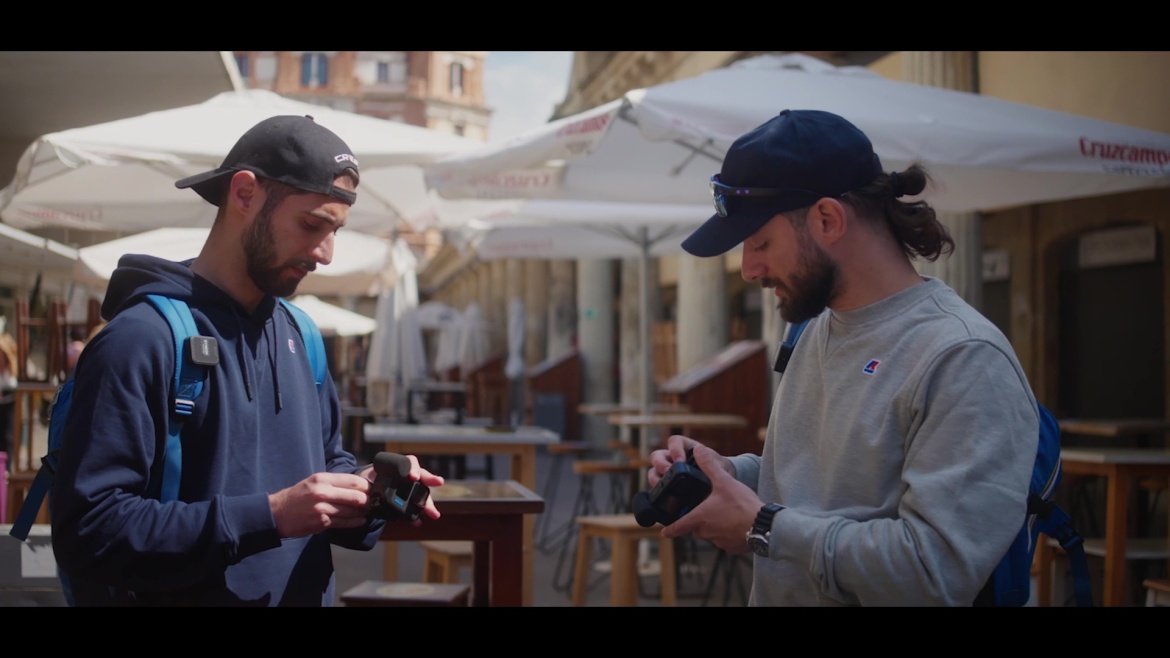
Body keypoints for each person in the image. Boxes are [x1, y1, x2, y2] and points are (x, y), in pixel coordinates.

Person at [648, 109, 1039, 606]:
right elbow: (817, 486)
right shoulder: (812, 326)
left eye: (760, 242)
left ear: (828, 219)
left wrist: (762, 526)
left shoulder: (962, 356)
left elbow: (935, 572)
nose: (748, 269)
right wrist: (728, 475)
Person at [50, 114, 444, 606]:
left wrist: (366, 491)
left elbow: (323, 463)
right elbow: (89, 531)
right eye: (311, 224)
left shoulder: (302, 336)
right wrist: (271, 515)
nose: (325, 253)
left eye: (336, 230)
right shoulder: (140, 340)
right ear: (243, 194)